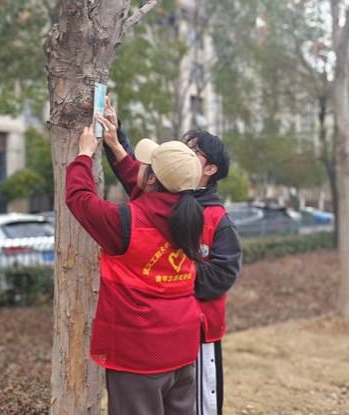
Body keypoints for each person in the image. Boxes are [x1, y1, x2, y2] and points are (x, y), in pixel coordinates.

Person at [98, 98, 242, 415]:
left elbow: (224, 274)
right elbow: (138, 175)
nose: (183, 153)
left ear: (210, 169)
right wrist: (115, 136)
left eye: (193, 151)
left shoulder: (217, 218)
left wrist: (173, 275)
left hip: (197, 332)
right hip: (159, 334)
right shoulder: (166, 197)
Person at [65, 123, 205, 415]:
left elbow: (80, 199)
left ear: (151, 178)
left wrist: (84, 155)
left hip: (139, 353)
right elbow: (150, 192)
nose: (139, 166)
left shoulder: (125, 222)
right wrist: (116, 147)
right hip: (181, 347)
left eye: (146, 165)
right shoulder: (193, 217)